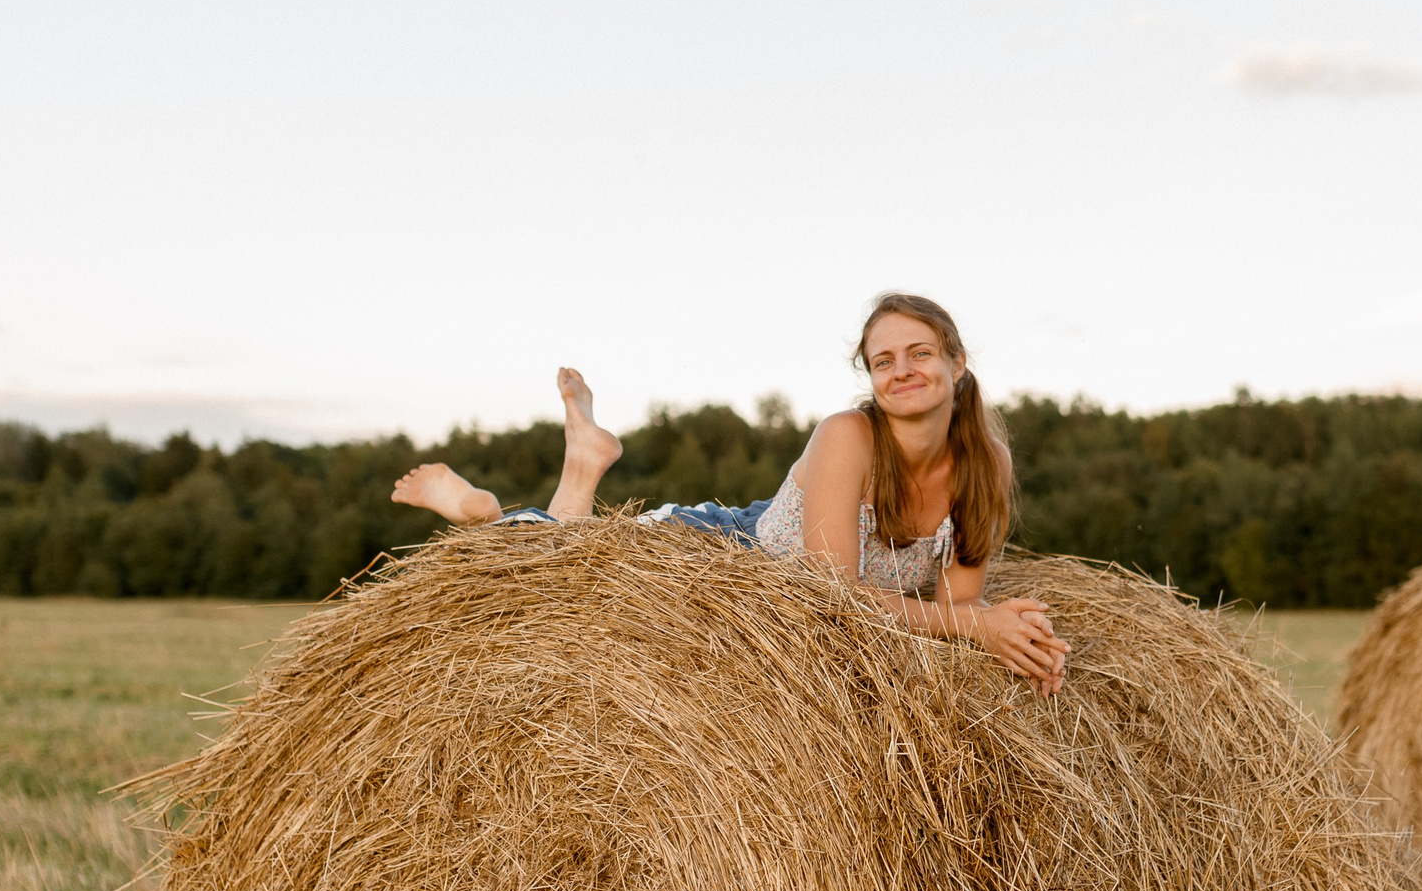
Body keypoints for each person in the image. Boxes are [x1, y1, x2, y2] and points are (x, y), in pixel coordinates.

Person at [390, 293, 1070, 694]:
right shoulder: (848, 437)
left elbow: (959, 603)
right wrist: (976, 624)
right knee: (562, 577)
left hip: (777, 579)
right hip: (726, 550)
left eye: (919, 353)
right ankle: (497, 510)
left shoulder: (987, 460)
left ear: (956, 362)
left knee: (573, 572)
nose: (902, 371)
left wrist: (1024, 643)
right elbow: (831, 596)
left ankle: (582, 465)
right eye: (883, 360)